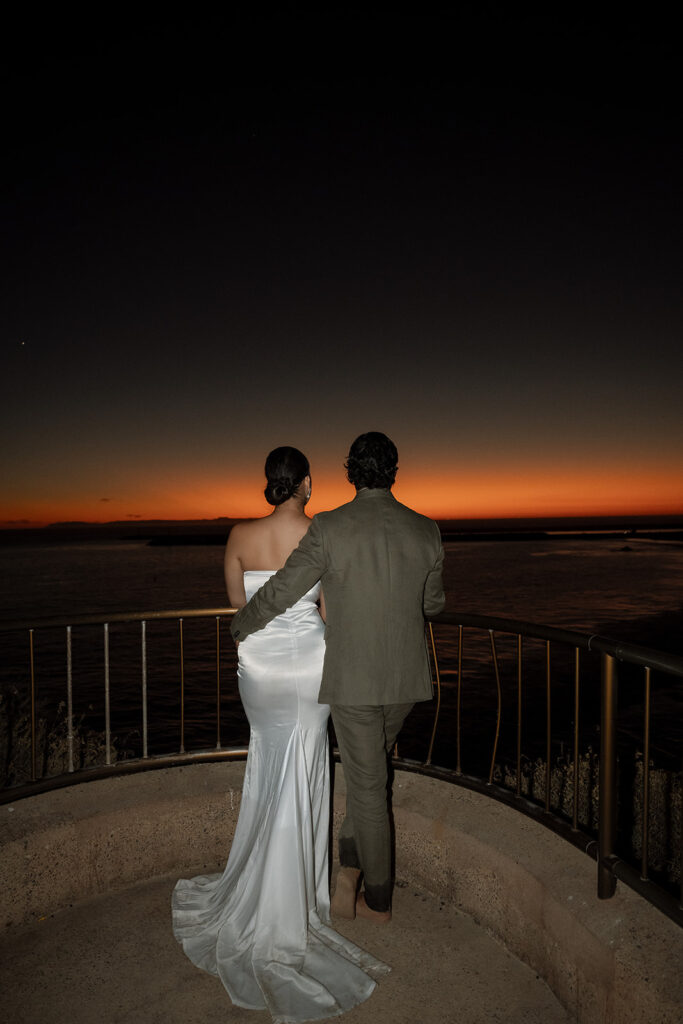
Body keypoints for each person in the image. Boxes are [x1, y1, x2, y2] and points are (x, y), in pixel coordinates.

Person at [172, 446, 388, 1024]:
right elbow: (329, 607)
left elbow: (238, 610)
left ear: (269, 482)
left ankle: (267, 883)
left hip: (261, 668)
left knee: (270, 760)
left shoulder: (239, 534)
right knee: (310, 763)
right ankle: (299, 895)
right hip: (310, 662)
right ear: (308, 484)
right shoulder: (324, 532)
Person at [231, 432, 445, 925]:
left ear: (351, 472)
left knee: (368, 785)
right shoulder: (426, 529)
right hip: (406, 680)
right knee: (373, 774)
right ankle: (348, 866)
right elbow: (433, 604)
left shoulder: (330, 527)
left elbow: (284, 588)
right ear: (394, 471)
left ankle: (380, 898)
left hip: (353, 680)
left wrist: (242, 623)